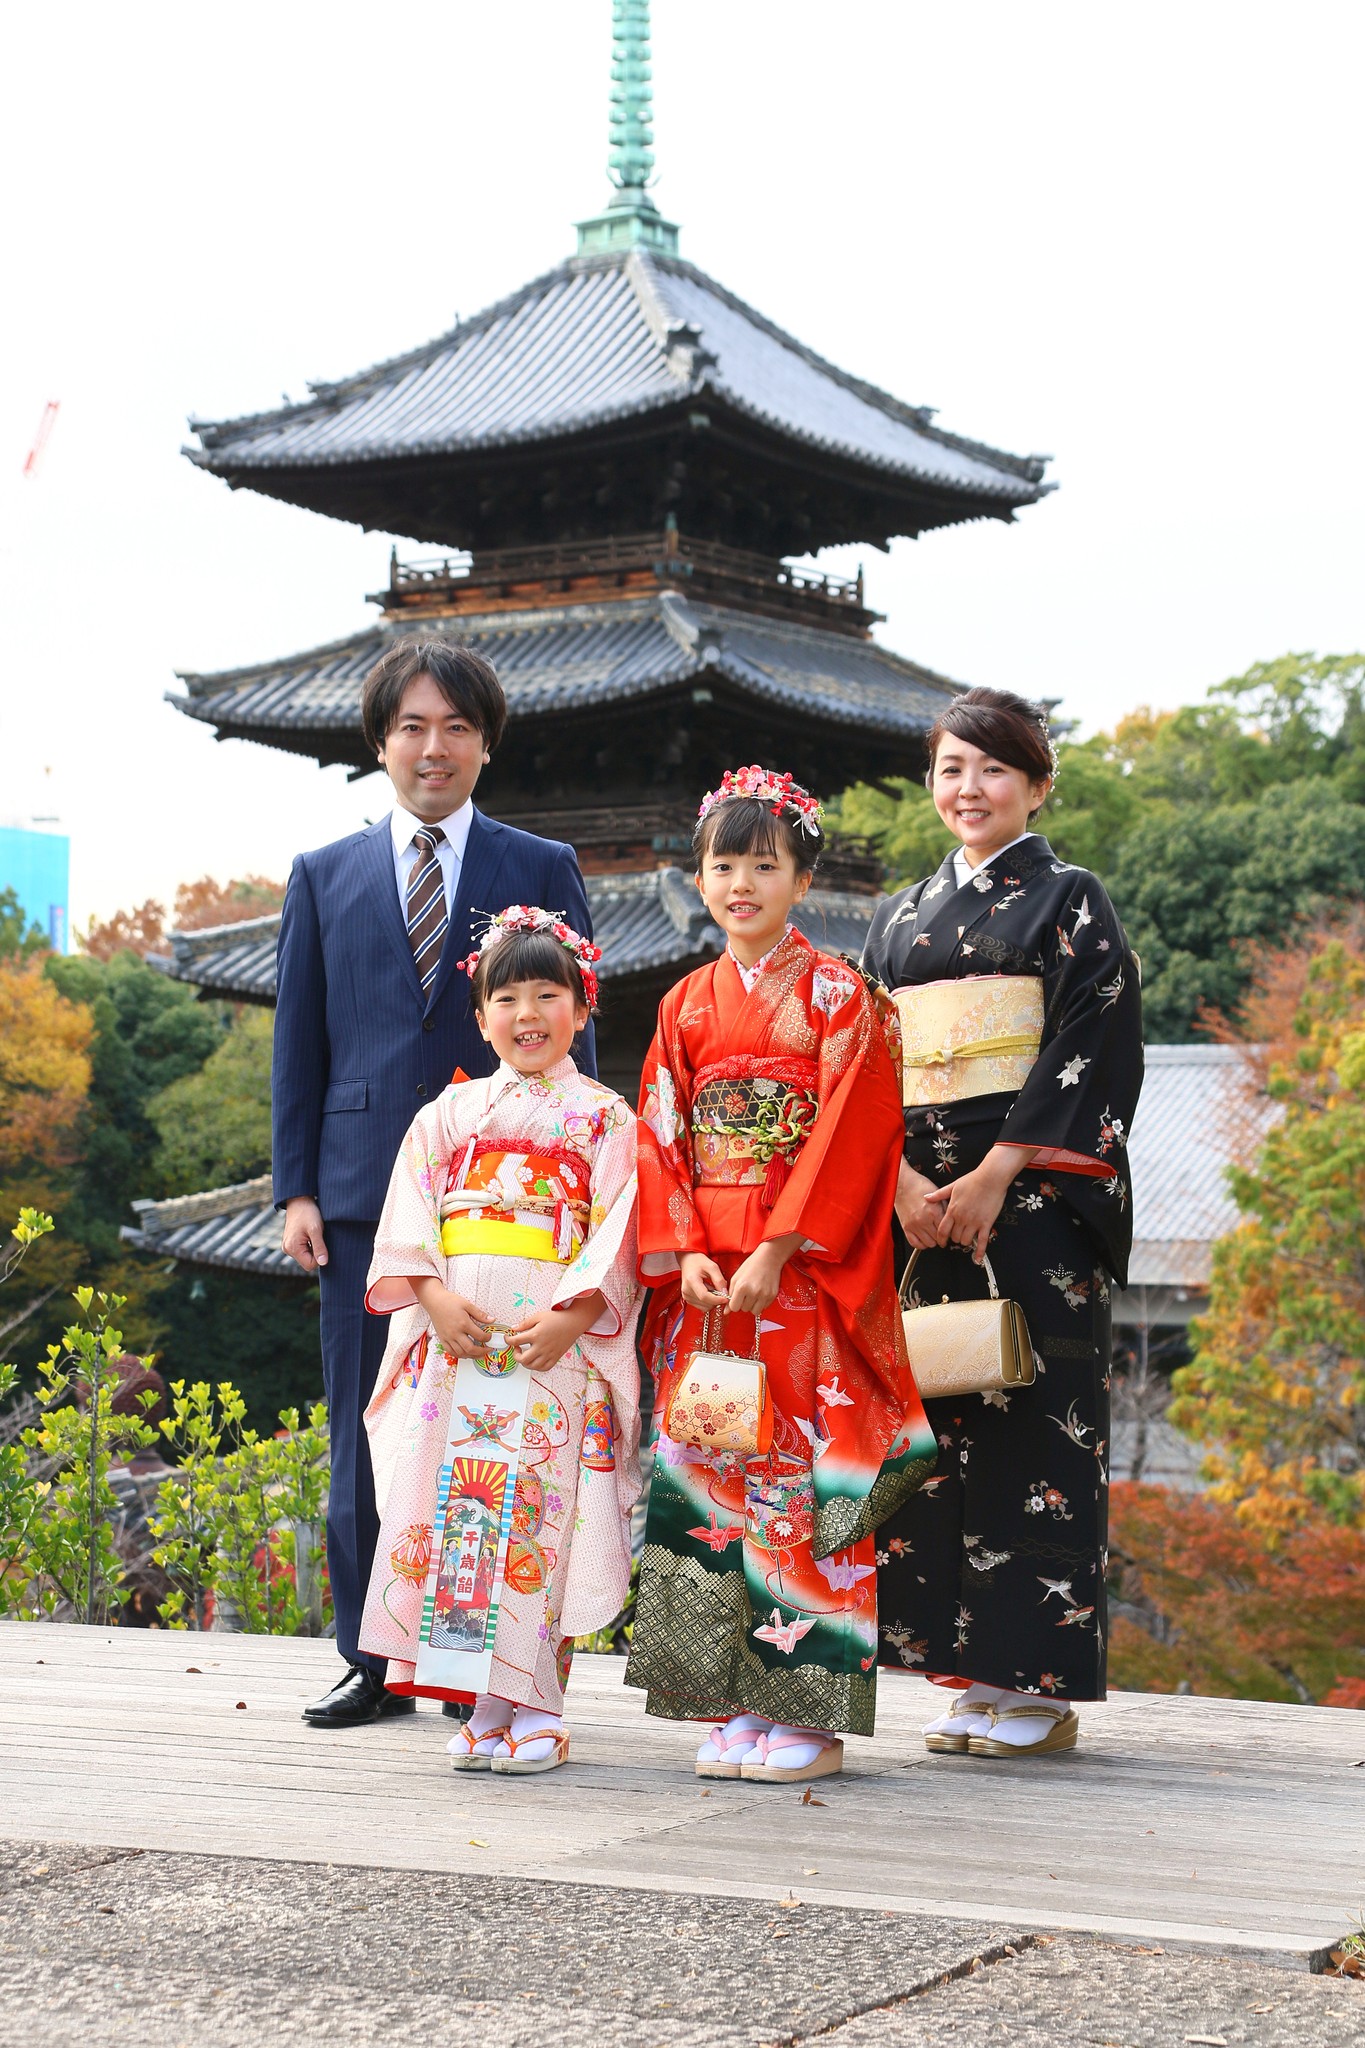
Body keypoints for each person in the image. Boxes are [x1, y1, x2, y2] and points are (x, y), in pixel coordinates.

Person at [273, 637, 594, 1729]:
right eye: (412, 725)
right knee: (372, 1425)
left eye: (457, 726)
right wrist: (295, 1187)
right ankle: (373, 1657)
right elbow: (300, 1042)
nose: (434, 745)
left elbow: (569, 1032)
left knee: (498, 1425)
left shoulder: (539, 866)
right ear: (379, 741)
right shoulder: (325, 874)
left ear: (486, 743)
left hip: (506, 1200)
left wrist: (581, 1196)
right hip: (364, 1195)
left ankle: (481, 1658)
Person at [624, 766, 936, 1784]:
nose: (742, 883)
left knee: (793, 1478)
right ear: (700, 875)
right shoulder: (684, 1003)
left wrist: (772, 1248)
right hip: (709, 1284)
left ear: (804, 875)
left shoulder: (843, 995)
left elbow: (857, 1134)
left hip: (798, 1275)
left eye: (765, 863)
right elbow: (659, 1137)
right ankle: (733, 1696)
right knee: (714, 1477)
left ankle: (808, 1710)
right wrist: (697, 1253)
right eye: (724, 863)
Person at [861, 686, 1143, 1758]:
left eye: (990, 768)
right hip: (920, 1206)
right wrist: (895, 1178)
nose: (967, 789)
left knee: (1034, 1418)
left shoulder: (1071, 900)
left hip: (1029, 1203)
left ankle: (1034, 1679)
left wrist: (996, 1173)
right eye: (949, 768)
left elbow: (1093, 1045)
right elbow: (866, 1067)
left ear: (1036, 782)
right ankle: (960, 1668)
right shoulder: (895, 917)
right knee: (936, 1423)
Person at [356, 910, 641, 1774]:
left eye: (548, 993)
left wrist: (570, 1316)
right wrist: (434, 1298)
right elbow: (411, 1213)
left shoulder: (605, 1119)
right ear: (479, 1017)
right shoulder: (448, 1113)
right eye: (505, 996)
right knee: (463, 1512)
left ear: (581, 1009)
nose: (527, 1013)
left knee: (538, 1518)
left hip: (551, 1348)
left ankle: (539, 1705)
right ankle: (483, 1701)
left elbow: (619, 1231)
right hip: (459, 1342)